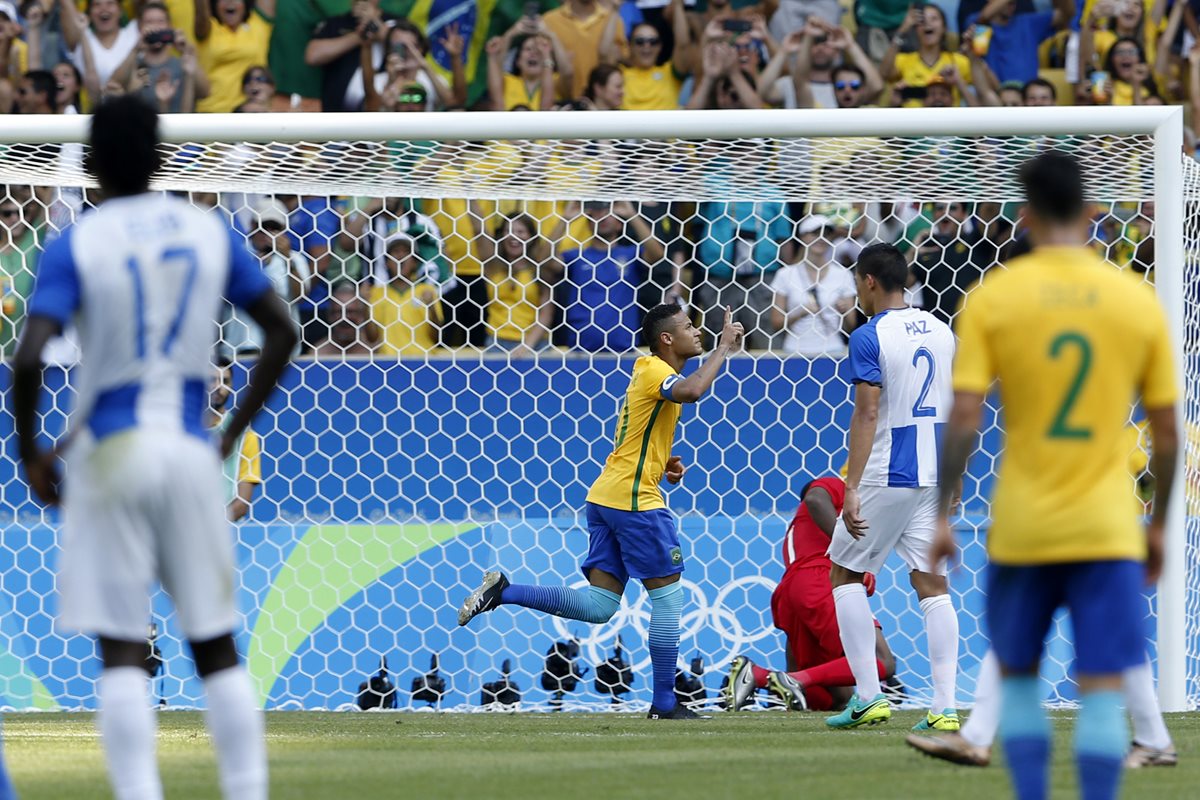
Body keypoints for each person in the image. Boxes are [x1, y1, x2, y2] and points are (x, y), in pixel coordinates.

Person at [12, 95, 296, 800]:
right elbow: (282, 332)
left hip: (109, 456)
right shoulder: (208, 231)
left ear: (94, 168)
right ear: (161, 158)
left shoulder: (77, 241)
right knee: (217, 649)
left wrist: (31, 451)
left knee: (122, 651)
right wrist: (229, 433)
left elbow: (28, 357)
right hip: (187, 451)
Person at [928, 150, 1178, 800]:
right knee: (1100, 689)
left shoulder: (992, 298)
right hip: (1108, 526)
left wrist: (939, 515)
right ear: (1093, 214)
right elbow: (1170, 435)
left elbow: (964, 418)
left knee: (1016, 681)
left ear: (1026, 216)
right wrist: (1159, 525)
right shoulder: (1136, 299)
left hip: (1023, 527)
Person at [458, 303, 745, 720]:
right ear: (667, 339)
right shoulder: (653, 370)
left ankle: (504, 591)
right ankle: (665, 702)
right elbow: (693, 391)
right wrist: (724, 349)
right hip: (635, 504)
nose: (696, 332)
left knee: (599, 607)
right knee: (667, 599)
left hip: (607, 497)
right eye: (688, 326)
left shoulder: (650, 372)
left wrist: (662, 461)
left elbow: (635, 433)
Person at [825, 242, 960, 731]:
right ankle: (945, 708)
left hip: (888, 471)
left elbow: (867, 411)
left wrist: (852, 486)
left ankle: (867, 697)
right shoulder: (944, 332)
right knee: (932, 583)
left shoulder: (868, 335)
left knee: (842, 575)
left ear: (868, 282)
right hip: (934, 474)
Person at [724, 475, 897, 713]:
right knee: (882, 661)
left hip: (794, 593)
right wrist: (852, 550)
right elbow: (815, 498)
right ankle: (772, 677)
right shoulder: (836, 487)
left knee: (834, 700)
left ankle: (756, 676)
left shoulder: (800, 529)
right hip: (819, 582)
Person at [907, 648, 1177, 768]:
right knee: (1014, 625)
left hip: (1089, 539)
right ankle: (976, 736)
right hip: (1050, 537)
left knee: (1114, 629)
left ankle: (1153, 739)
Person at [770, 215, 857, 356]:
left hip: (833, 350)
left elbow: (851, 326)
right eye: (815, 233)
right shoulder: (785, 274)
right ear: (803, 236)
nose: (821, 238)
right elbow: (776, 323)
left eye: (826, 234)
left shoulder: (843, 275)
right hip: (794, 351)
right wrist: (801, 312)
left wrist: (844, 312)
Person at [193, 0, 275, 113]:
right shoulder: (209, 27)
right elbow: (201, 11)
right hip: (212, 113)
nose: (230, 2)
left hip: (250, 112)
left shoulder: (259, 25)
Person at [209, 359, 262, 522]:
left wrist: (209, 528)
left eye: (225, 381)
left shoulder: (246, 436)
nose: (219, 386)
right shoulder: (182, 431)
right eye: (212, 380)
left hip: (226, 531)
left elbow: (242, 504)